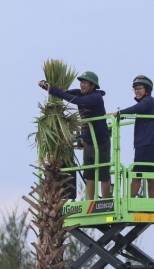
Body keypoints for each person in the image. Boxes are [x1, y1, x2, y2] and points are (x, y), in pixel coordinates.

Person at [38, 71, 111, 201]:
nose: (82, 85)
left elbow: (76, 100)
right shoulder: (82, 92)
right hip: (88, 140)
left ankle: (106, 202)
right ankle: (90, 202)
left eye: (85, 82)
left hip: (101, 141)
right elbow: (67, 93)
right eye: (81, 82)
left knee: (103, 173)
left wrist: (52, 90)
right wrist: (50, 87)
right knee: (89, 173)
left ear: (92, 85)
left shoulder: (95, 97)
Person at [113, 75, 154, 198]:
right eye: (135, 89)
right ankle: (152, 201)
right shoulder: (148, 104)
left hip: (146, 143)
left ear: (147, 90)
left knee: (137, 174)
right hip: (147, 142)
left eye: (139, 88)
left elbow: (136, 108)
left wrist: (119, 113)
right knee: (149, 172)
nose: (136, 91)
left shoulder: (149, 101)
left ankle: (129, 201)